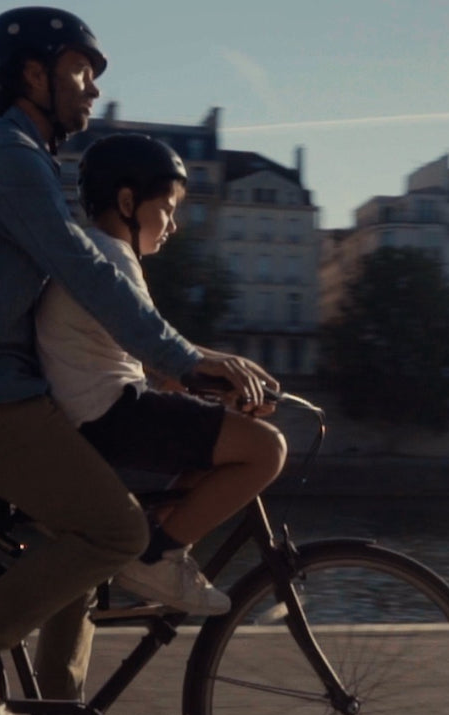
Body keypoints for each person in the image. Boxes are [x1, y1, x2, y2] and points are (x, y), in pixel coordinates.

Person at [0, 7, 274, 715]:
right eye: (80, 70)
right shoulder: (7, 158)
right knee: (117, 528)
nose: (92, 88)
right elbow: (86, 272)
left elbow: (84, 287)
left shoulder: (20, 160)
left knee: (84, 532)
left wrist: (175, 368)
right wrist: (186, 359)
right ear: (33, 75)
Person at [36, 132, 287, 615]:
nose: (174, 223)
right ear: (128, 201)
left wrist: (229, 378)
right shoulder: (110, 257)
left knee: (213, 457)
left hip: (97, 414)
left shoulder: (97, 253)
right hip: (111, 412)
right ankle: (157, 556)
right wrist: (222, 374)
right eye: (168, 208)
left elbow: (161, 357)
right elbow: (158, 354)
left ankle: (159, 544)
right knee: (266, 449)